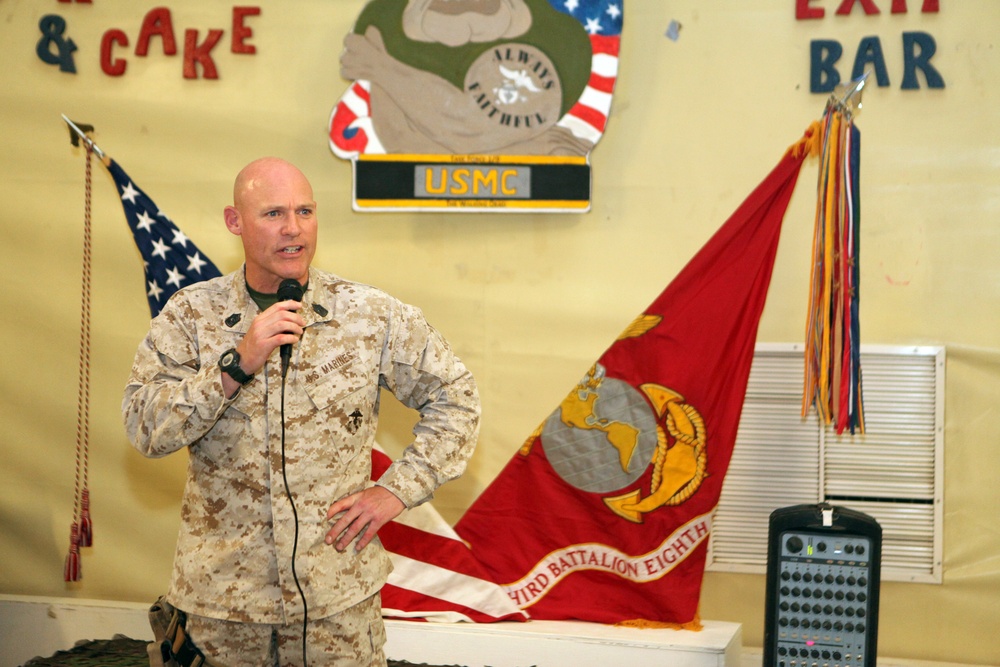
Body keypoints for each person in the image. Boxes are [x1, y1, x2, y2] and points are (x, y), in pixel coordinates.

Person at [122, 157, 480, 666]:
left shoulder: (369, 315)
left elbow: (456, 397)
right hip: (225, 609)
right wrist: (235, 365)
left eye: (305, 211)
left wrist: (395, 492)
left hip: (337, 605)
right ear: (235, 222)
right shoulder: (190, 315)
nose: (293, 229)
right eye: (272, 214)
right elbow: (143, 426)